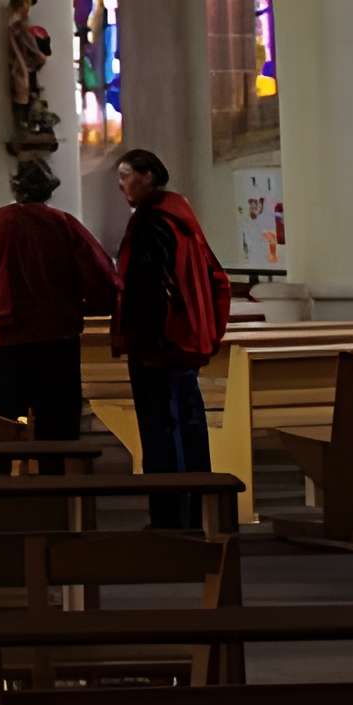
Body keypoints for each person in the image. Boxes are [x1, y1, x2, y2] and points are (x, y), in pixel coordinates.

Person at [111, 148, 232, 530]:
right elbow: (216, 279)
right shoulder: (182, 217)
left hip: (159, 346)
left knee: (161, 430)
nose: (121, 184)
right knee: (189, 428)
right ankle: (198, 513)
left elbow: (146, 288)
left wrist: (143, 341)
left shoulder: (151, 221)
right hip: (182, 343)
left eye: (126, 174)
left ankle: (170, 519)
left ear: (148, 176)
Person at [0, 155, 116, 445]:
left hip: (4, 340)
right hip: (55, 338)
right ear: (49, 188)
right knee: (57, 427)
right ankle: (57, 485)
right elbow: (101, 275)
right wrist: (90, 306)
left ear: (15, 188)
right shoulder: (63, 223)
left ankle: (2, 483)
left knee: (2, 425)